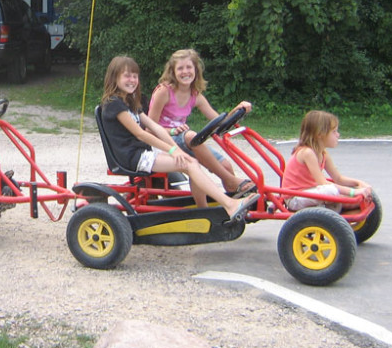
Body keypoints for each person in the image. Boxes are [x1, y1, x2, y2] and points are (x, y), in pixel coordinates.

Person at [101, 56, 258, 220]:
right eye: (127, 76)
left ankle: (207, 212)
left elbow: (156, 127)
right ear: (114, 77)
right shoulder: (114, 104)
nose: (132, 80)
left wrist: (175, 150)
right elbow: (142, 133)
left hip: (142, 154)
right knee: (191, 164)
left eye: (135, 76)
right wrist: (172, 150)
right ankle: (229, 205)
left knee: (192, 163)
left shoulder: (129, 101)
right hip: (134, 158)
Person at [147, 48, 254, 197]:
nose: (185, 72)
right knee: (191, 136)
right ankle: (231, 182)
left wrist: (238, 109)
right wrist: (172, 131)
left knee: (226, 165)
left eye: (189, 67)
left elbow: (219, 121)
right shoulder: (164, 92)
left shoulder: (194, 95)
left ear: (196, 70)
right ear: (173, 72)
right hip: (162, 142)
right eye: (180, 68)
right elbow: (149, 129)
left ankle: (234, 202)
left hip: (182, 141)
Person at [282, 110, 372, 212]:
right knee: (331, 191)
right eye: (334, 131)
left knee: (337, 192)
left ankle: (334, 207)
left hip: (309, 193)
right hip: (295, 198)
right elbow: (323, 184)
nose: (338, 135)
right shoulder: (307, 153)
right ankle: (327, 209)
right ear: (320, 134)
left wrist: (359, 183)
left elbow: (338, 178)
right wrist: (353, 192)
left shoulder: (323, 153)